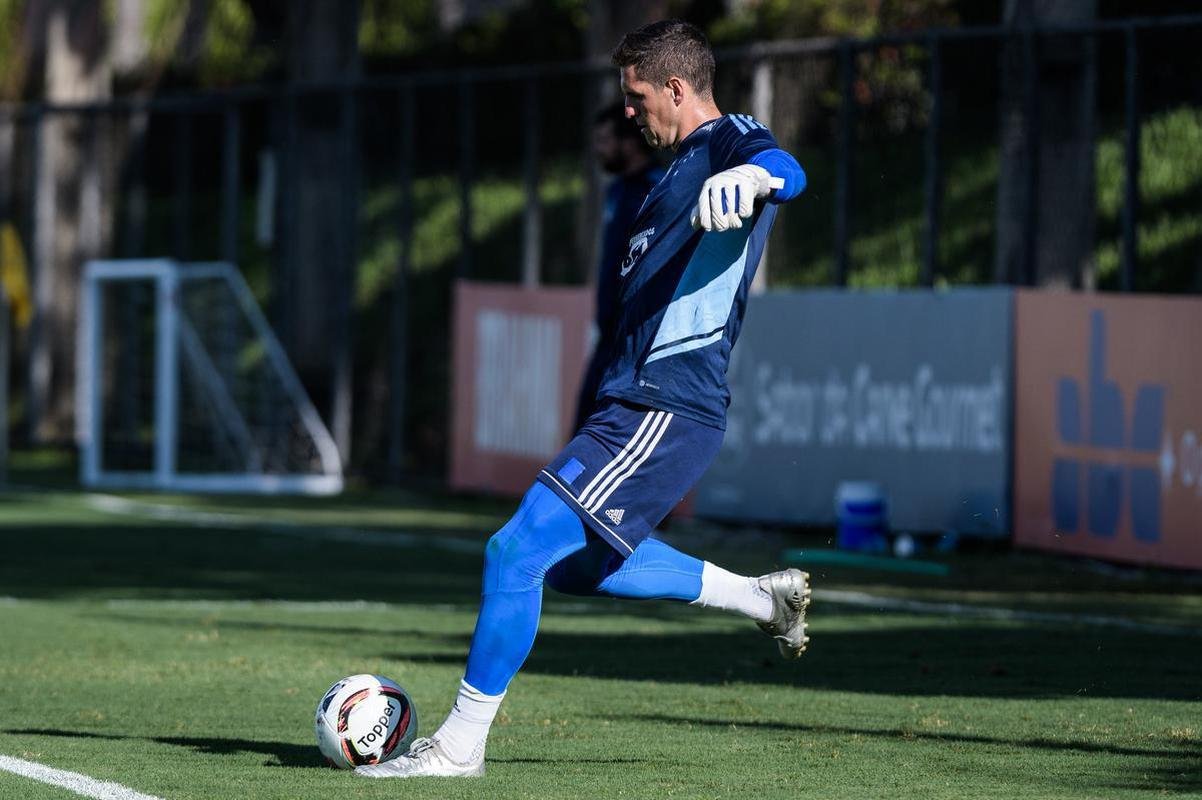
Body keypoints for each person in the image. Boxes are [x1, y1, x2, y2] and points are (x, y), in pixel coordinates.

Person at [358, 19, 809, 780]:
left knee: (515, 548)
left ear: (675, 87)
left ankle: (460, 744)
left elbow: (786, 167)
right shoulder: (665, 176)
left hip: (665, 404)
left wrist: (759, 176)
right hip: (631, 402)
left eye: (636, 96)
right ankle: (763, 601)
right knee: (570, 566)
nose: (628, 112)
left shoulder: (728, 141)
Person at [575, 103, 666, 430]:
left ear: (628, 143)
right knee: (585, 428)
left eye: (604, 140)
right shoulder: (616, 190)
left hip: (638, 340)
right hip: (609, 337)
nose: (598, 149)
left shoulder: (658, 188)